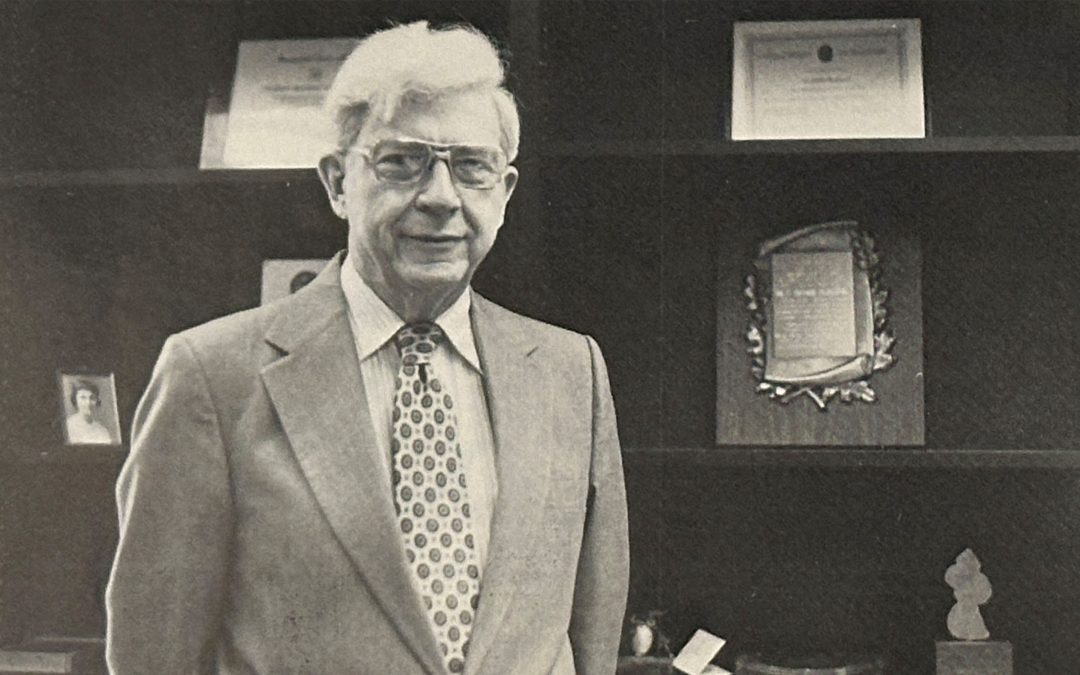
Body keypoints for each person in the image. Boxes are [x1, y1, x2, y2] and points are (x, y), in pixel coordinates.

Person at [106, 21, 628, 675]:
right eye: (402, 162)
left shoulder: (570, 371)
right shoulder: (210, 375)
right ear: (336, 182)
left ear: (506, 191)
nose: (440, 198)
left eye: (471, 167)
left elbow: (593, 635)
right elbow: (154, 655)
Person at [64, 379, 115, 444]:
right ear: (75, 400)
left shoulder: (102, 430)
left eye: (92, 398)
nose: (88, 403)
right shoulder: (68, 427)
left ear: (97, 401)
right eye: (83, 398)